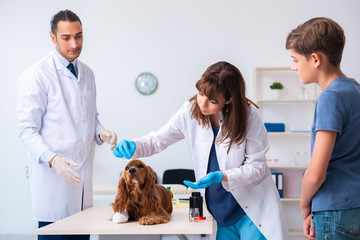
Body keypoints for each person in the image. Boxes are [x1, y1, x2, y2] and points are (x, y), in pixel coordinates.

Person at [113, 61, 290, 239]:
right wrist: (135, 145)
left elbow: (257, 167)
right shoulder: (189, 111)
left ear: (229, 99)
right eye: (200, 93)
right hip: (221, 214)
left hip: (251, 211)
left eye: (212, 101)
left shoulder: (248, 116)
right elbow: (158, 140)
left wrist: (223, 176)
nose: (202, 104)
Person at [17, 10, 117, 240]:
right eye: (66, 37)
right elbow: (26, 130)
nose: (74, 43)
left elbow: (89, 118)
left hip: (82, 185)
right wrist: (54, 160)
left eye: (79, 36)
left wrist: (101, 132)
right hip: (54, 184)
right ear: (53, 38)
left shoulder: (88, 73)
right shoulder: (37, 75)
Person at [286, 17, 360, 240]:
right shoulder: (355, 91)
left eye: (296, 60)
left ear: (315, 59)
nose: (293, 67)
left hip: (335, 210)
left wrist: (304, 204)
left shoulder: (330, 98)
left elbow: (316, 173)